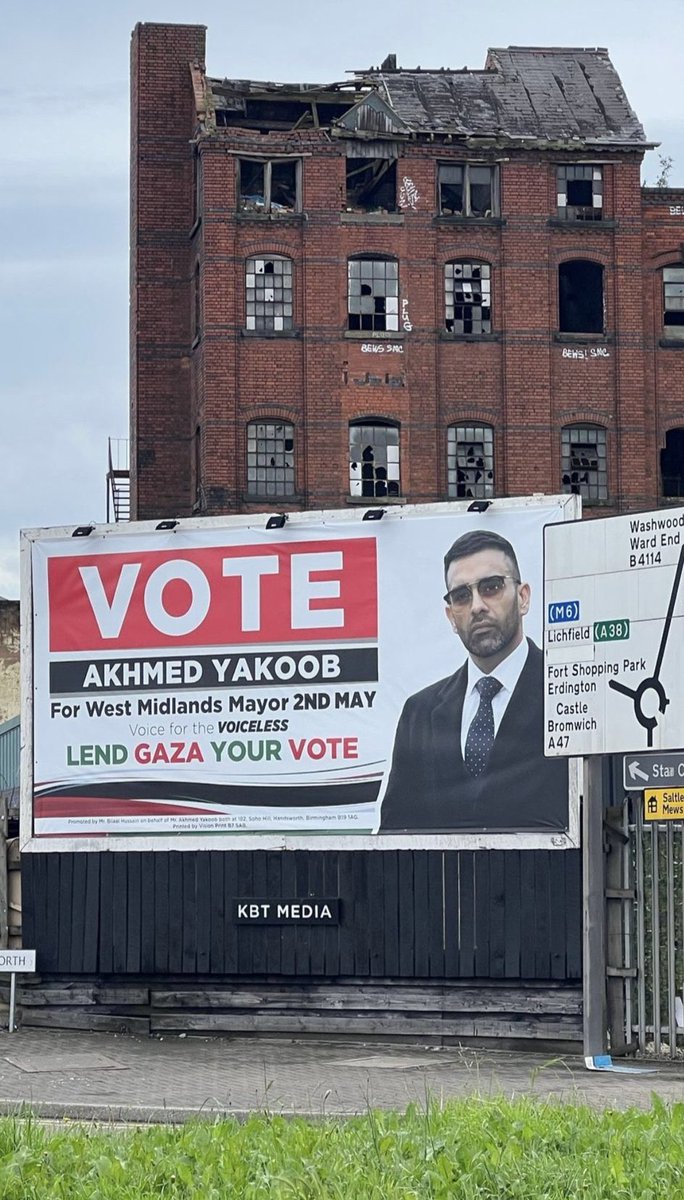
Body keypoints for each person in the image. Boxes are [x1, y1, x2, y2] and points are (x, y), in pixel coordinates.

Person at [379, 528, 567, 832]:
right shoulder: (419, 714)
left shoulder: (569, 693)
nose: (477, 606)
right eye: (462, 596)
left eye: (491, 587)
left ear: (523, 598)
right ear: (451, 616)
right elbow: (394, 838)